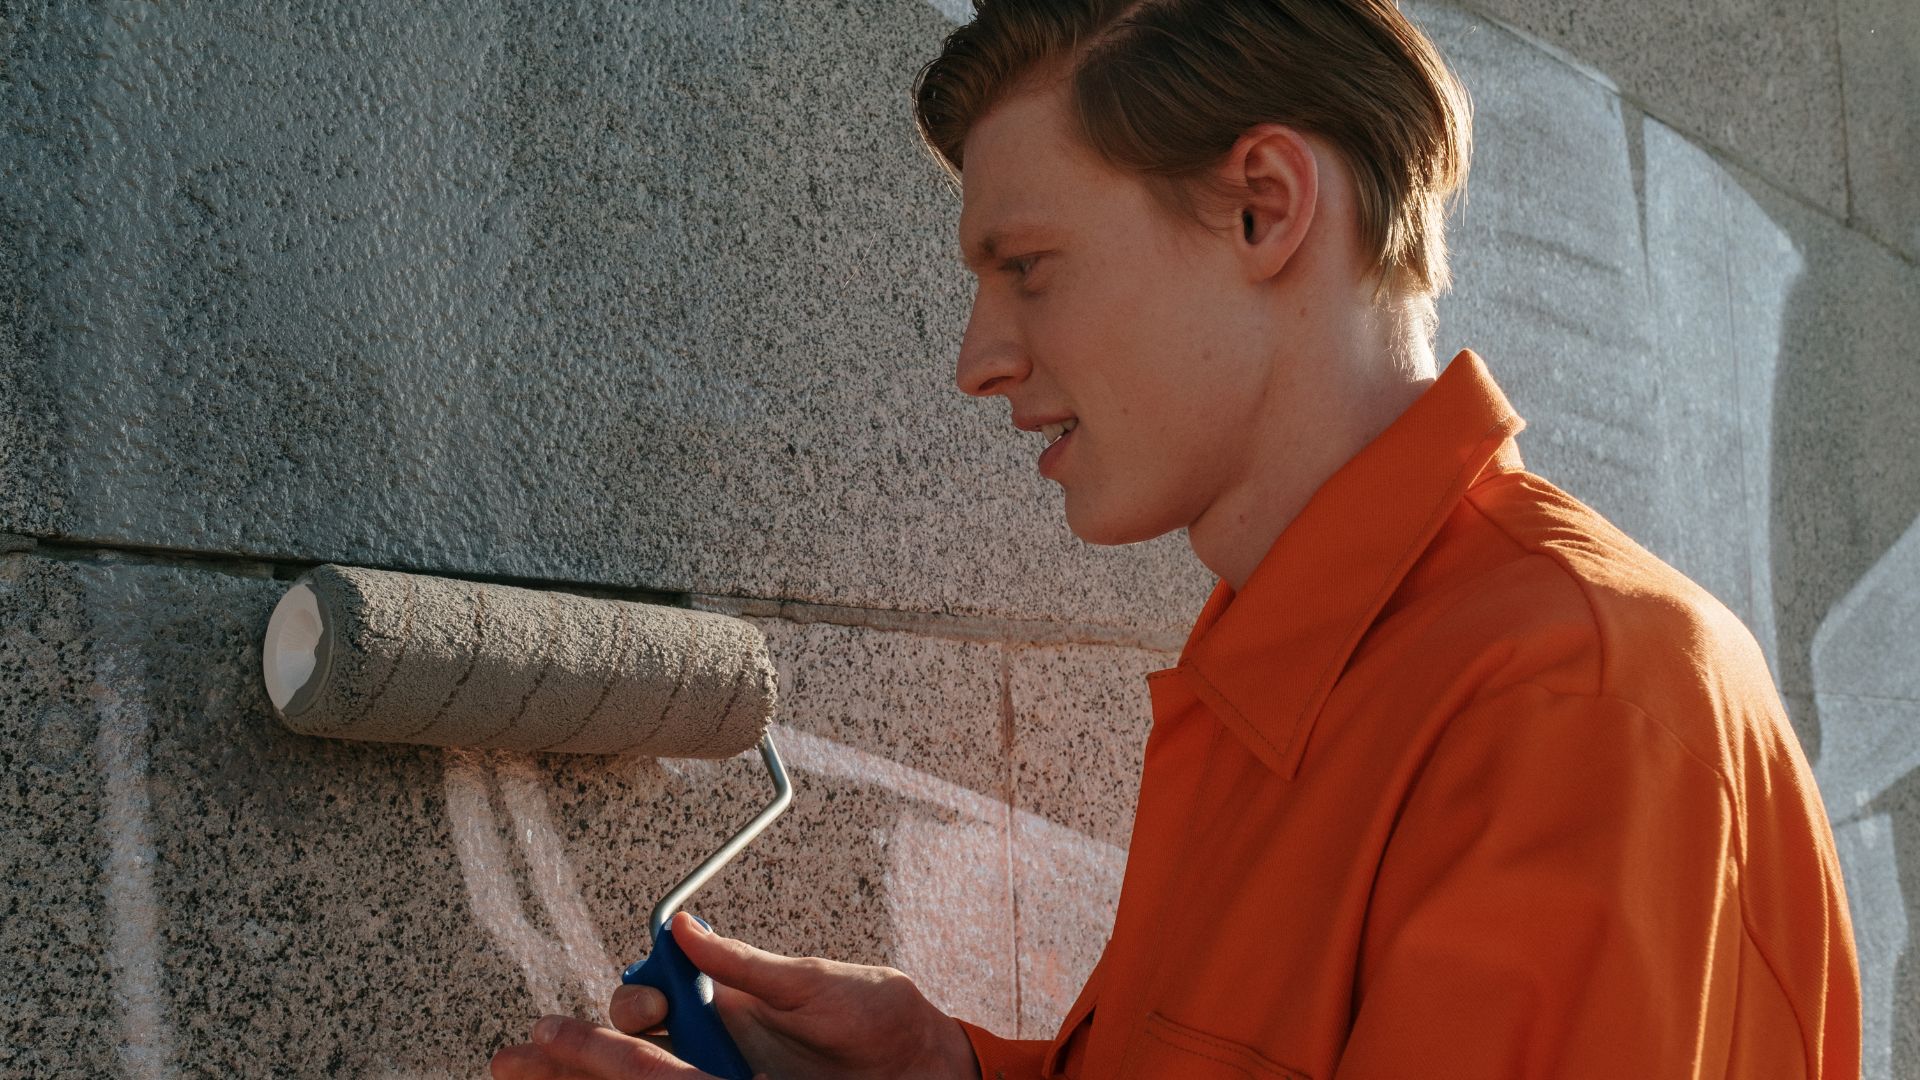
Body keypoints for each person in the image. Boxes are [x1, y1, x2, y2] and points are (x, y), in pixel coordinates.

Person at [492, 1, 1863, 1077]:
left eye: (1027, 269)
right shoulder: (1285, 665)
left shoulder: (1575, 697)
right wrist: (954, 1073)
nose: (978, 359)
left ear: (1266, 205)